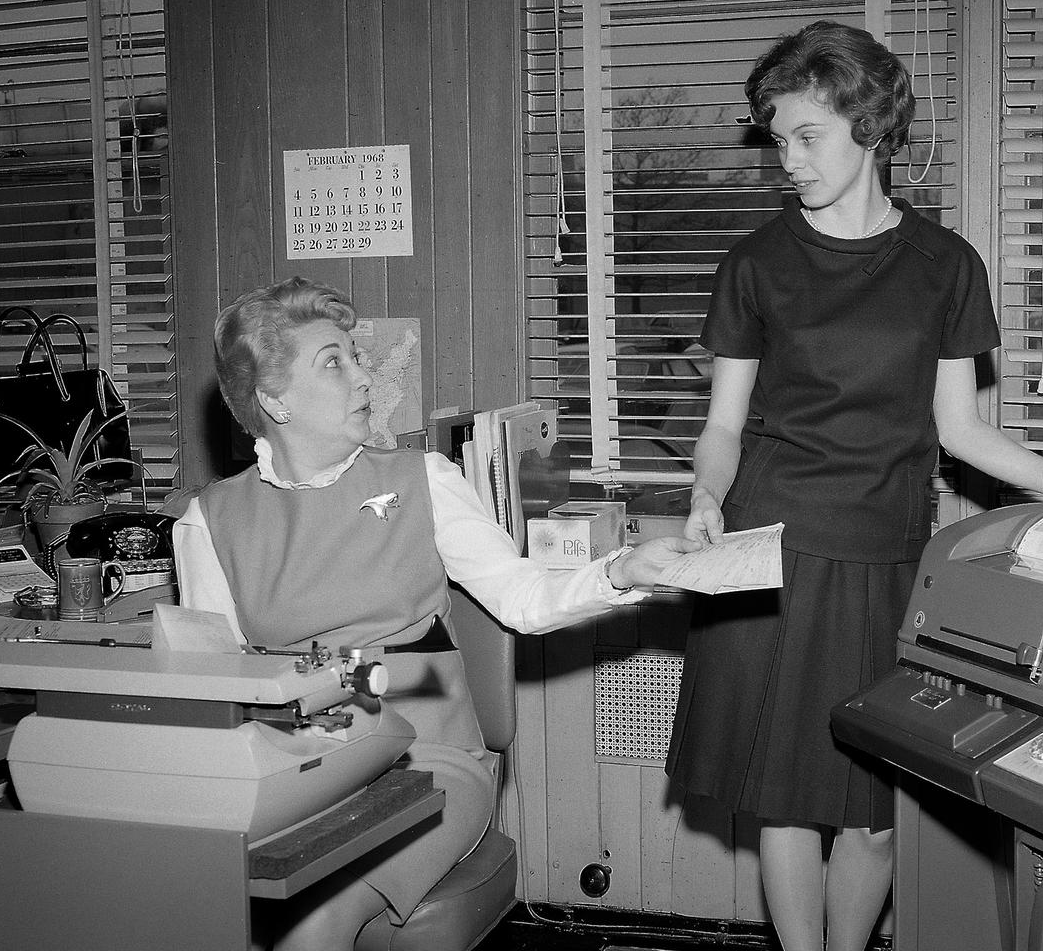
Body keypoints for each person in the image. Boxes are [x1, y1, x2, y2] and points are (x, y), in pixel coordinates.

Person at [663, 21, 1043, 951]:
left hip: (888, 557)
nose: (787, 159)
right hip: (771, 552)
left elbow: (962, 431)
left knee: (874, 812)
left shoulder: (946, 267)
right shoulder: (755, 263)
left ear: (868, 125)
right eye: (776, 139)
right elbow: (723, 426)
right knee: (785, 800)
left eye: (804, 136)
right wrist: (706, 498)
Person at [172, 276, 700, 951]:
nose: (365, 377)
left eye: (357, 357)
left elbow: (526, 598)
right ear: (274, 399)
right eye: (335, 362)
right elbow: (213, 686)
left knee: (315, 911)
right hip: (295, 771)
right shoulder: (208, 523)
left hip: (424, 762)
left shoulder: (422, 480)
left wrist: (620, 572)